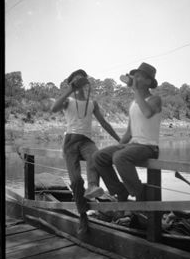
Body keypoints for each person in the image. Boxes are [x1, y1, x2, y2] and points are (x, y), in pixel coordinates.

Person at [51, 69, 120, 233]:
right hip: (70, 142)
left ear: (86, 81)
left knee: (96, 155)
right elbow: (54, 108)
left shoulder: (92, 103)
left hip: (86, 140)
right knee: (75, 181)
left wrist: (121, 141)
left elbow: (104, 123)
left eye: (81, 78)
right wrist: (71, 88)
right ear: (71, 83)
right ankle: (83, 216)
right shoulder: (67, 100)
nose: (79, 80)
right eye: (75, 79)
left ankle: (93, 186)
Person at [93, 62, 162, 206]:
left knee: (120, 157)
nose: (134, 79)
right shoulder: (133, 103)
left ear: (149, 81)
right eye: (134, 76)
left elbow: (148, 113)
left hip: (149, 147)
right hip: (133, 146)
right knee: (99, 156)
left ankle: (139, 193)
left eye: (139, 77)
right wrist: (118, 146)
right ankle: (120, 190)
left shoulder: (155, 100)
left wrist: (135, 90)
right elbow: (130, 131)